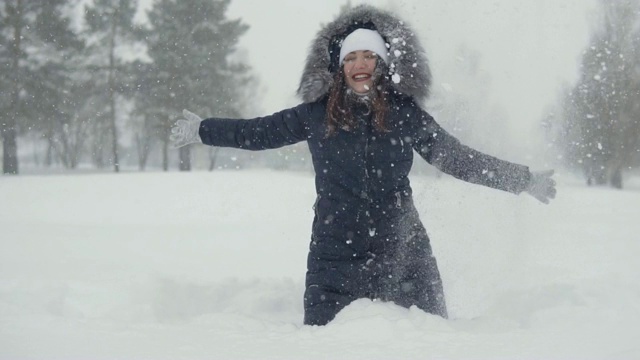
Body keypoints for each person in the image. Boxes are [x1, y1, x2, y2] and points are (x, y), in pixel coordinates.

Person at [170, 5, 556, 326]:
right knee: (324, 346)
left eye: (369, 55)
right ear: (339, 67)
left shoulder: (407, 115)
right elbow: (257, 133)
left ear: (383, 62)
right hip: (334, 255)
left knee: (432, 341)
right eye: (351, 57)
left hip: (405, 252)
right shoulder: (315, 115)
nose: (360, 64)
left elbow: (454, 158)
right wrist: (203, 130)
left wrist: (521, 180)